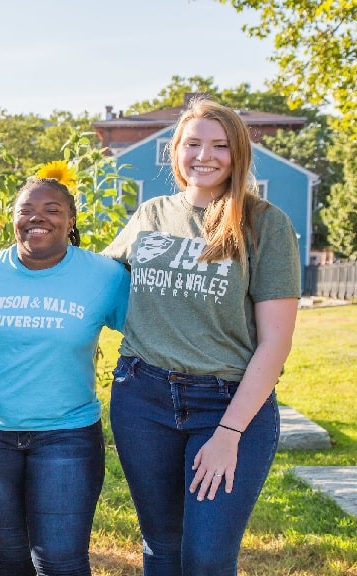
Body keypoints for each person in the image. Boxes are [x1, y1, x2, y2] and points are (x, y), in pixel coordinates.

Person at [102, 97, 301, 575]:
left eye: (220, 145)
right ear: (176, 150)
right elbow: (95, 283)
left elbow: (275, 342)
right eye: (193, 143)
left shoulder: (264, 224)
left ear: (237, 154)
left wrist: (229, 432)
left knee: (207, 557)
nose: (204, 156)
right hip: (142, 397)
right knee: (162, 546)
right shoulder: (151, 215)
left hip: (228, 402)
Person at [0, 177, 130, 575]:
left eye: (52, 210)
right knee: (7, 558)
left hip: (66, 434)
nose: (37, 218)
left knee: (61, 560)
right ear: (13, 219)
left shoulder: (104, 276)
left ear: (71, 220)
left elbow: (150, 335)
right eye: (26, 210)